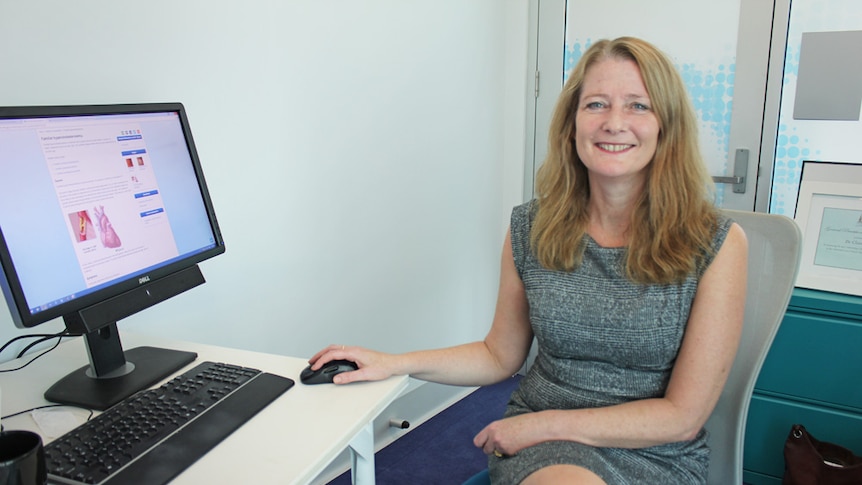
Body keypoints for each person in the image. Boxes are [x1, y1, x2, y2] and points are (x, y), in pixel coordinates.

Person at [308, 36, 748, 484]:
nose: (615, 123)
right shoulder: (532, 227)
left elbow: (681, 417)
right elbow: (499, 355)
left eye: (638, 106)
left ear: (666, 126)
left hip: (653, 452)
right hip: (548, 452)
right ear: (571, 123)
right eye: (596, 104)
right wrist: (395, 362)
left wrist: (543, 425)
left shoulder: (715, 244)